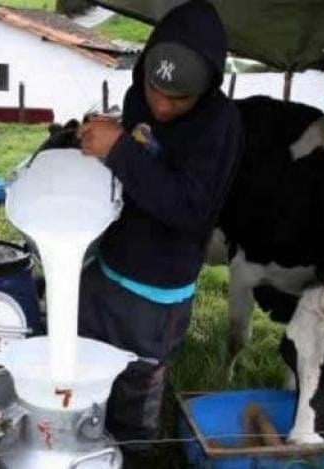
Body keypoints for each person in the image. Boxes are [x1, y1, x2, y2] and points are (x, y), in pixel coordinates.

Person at [77, 0, 242, 465]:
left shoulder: (220, 126)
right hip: (107, 270)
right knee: (84, 371)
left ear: (206, 89)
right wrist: (100, 142)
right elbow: (136, 160)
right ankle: (84, 451)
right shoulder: (138, 98)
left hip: (157, 296)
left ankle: (132, 456)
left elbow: (190, 209)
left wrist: (119, 151)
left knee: (136, 389)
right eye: (155, 90)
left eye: (180, 99)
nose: (163, 106)